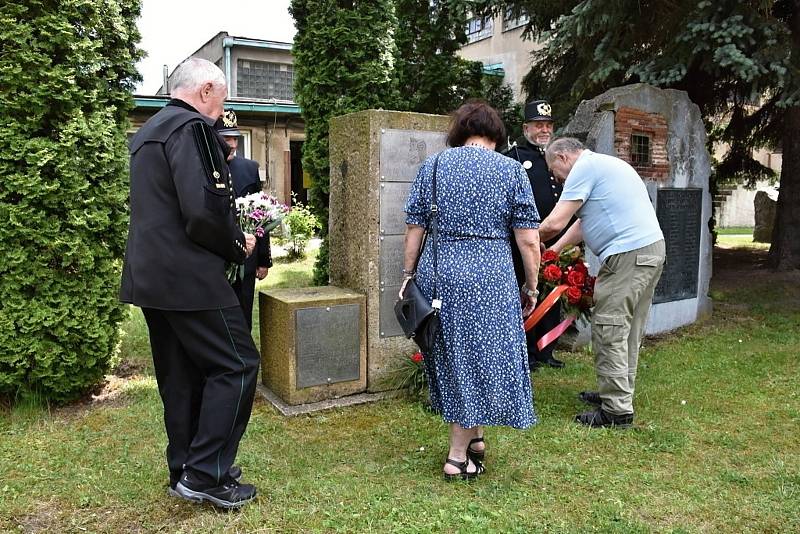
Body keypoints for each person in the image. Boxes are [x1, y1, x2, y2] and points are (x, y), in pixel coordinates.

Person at [120, 58, 260, 508]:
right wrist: (238, 244)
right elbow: (203, 210)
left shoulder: (147, 131)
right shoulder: (193, 128)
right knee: (236, 364)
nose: (221, 112)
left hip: (151, 277)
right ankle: (205, 474)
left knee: (180, 374)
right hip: (189, 276)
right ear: (204, 92)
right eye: (220, 101)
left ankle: (185, 466)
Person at [400, 101, 542, 480]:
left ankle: (476, 437)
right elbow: (528, 240)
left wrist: (408, 273)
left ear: (459, 133)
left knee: (456, 358)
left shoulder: (433, 166)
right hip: (490, 278)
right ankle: (458, 456)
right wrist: (531, 285)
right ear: (495, 135)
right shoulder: (511, 170)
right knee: (482, 357)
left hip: (440, 273)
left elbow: (415, 227)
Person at [538, 137, 665, 428]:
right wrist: (553, 252)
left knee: (610, 326)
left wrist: (528, 241)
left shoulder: (584, 168)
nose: (556, 179)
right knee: (627, 327)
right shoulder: (604, 165)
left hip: (628, 255)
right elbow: (582, 224)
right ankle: (617, 391)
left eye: (554, 171)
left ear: (562, 157)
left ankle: (616, 411)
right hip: (648, 251)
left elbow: (555, 223)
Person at [505, 99, 569, 370]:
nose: (544, 130)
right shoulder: (514, 157)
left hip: (557, 238)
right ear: (526, 127)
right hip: (525, 240)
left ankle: (547, 349)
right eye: (538, 125)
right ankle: (527, 351)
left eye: (548, 125)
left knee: (552, 294)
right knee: (525, 291)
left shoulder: (558, 155)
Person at [215, 110, 272, 330]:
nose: (232, 144)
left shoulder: (249, 168)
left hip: (245, 260)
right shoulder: (203, 167)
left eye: (235, 138)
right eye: (226, 138)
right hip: (216, 260)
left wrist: (263, 260)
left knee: (243, 315)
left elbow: (260, 216)